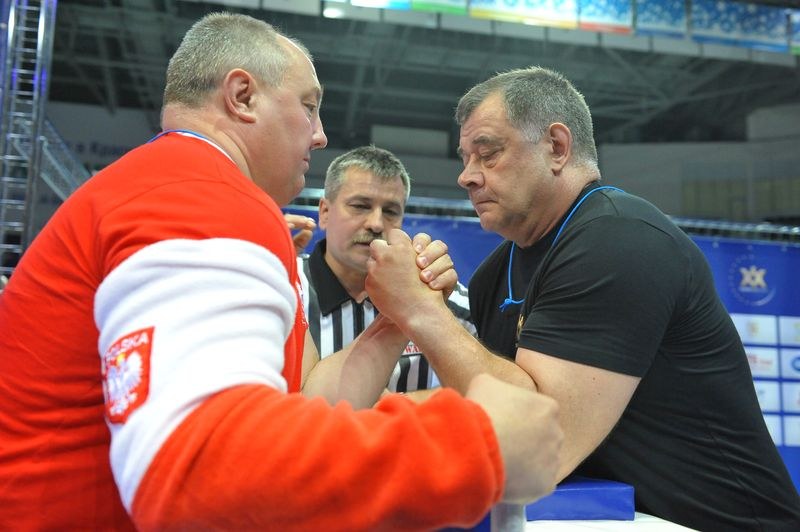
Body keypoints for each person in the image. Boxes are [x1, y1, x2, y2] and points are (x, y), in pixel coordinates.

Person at [0, 16, 564, 531]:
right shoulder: (198, 194)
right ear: (243, 96)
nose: (320, 135)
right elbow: (198, 474)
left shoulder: (174, 185)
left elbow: (307, 405)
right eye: (310, 105)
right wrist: (475, 446)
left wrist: (398, 317)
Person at [364, 66, 800, 530]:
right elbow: (493, 422)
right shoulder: (499, 271)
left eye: (487, 154)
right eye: (465, 158)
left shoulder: (620, 238)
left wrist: (421, 310)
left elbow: (543, 446)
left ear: (556, 147)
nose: (466, 177)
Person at [300, 145, 475, 394]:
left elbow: (495, 397)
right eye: (360, 206)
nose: (376, 223)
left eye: (391, 211)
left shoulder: (444, 302)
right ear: (325, 212)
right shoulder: (283, 289)